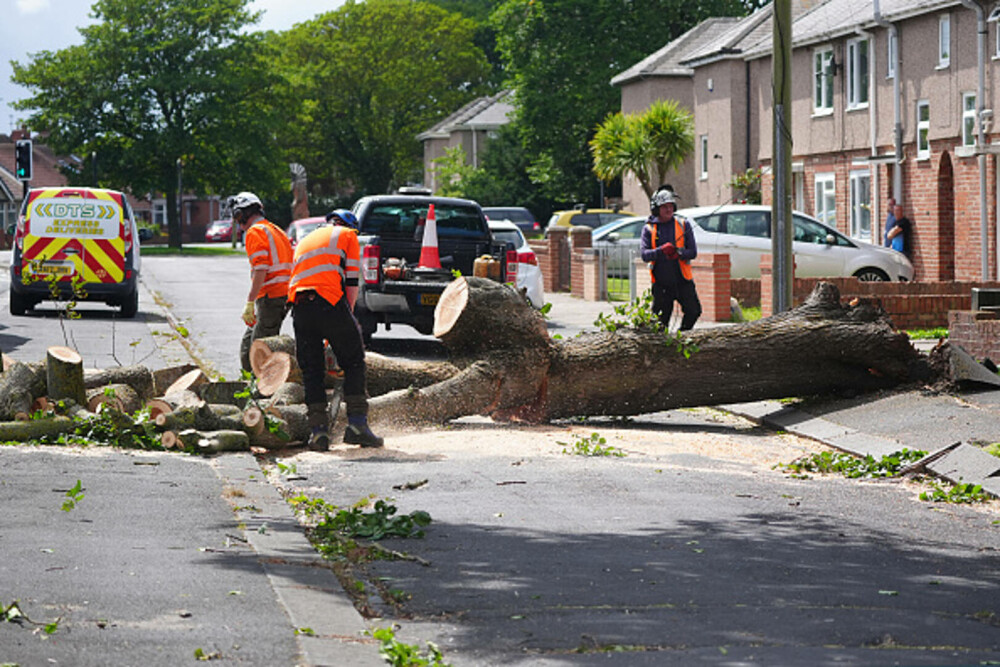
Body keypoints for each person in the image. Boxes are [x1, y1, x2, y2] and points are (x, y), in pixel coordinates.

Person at [288, 208, 383, 451]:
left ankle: (318, 432)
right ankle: (357, 425)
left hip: (300, 306)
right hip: (329, 302)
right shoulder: (347, 235)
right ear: (350, 226)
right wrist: (349, 320)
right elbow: (351, 282)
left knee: (312, 370)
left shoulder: (306, 238)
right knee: (353, 361)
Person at [231, 192, 293, 374]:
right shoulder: (275, 230)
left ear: (243, 213)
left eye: (237, 216)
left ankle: (260, 385)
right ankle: (248, 379)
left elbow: (261, 269)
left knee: (259, 350)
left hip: (271, 296)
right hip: (281, 294)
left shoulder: (255, 232)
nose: (238, 222)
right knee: (248, 345)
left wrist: (250, 301)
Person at [639, 188, 702, 331]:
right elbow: (644, 255)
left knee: (694, 311)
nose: (668, 210)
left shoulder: (683, 224)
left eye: (671, 206)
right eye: (664, 207)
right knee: (659, 323)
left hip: (683, 280)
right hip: (661, 283)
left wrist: (678, 253)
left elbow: (692, 252)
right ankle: (661, 344)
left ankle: (681, 337)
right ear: (656, 209)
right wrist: (661, 250)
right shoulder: (649, 228)